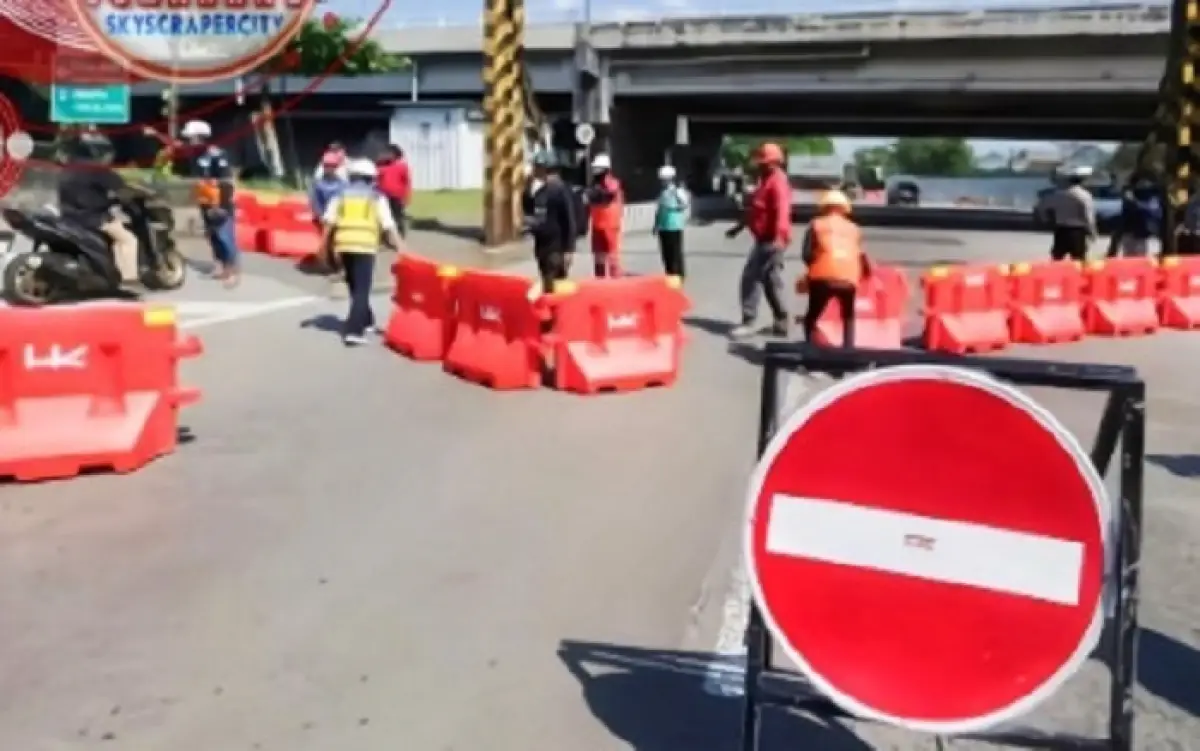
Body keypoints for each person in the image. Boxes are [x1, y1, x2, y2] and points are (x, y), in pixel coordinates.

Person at [321, 159, 404, 346]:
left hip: (343, 246)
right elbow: (388, 225)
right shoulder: (376, 197)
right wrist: (402, 248)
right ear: (371, 179)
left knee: (354, 285)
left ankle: (366, 319)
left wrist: (323, 246)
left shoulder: (340, 195)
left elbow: (329, 222)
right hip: (364, 247)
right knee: (362, 290)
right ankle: (353, 330)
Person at [57, 134, 140, 290]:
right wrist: (130, 195)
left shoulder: (69, 167)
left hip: (68, 217)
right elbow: (120, 187)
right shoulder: (97, 169)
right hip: (93, 218)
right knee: (128, 239)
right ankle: (129, 279)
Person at [727, 142, 792, 338]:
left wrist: (779, 238)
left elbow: (782, 211)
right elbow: (755, 210)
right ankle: (781, 322)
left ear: (774, 163)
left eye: (764, 162)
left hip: (771, 240)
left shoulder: (777, 181)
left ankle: (749, 321)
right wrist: (738, 228)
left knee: (751, 278)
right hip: (765, 239)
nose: (760, 165)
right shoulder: (765, 180)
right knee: (771, 281)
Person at [799, 189, 871, 349]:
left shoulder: (816, 225)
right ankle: (847, 351)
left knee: (812, 316)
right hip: (849, 278)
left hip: (822, 277)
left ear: (824, 207)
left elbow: (806, 254)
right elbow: (860, 255)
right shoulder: (854, 229)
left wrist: (811, 273)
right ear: (845, 208)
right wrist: (866, 274)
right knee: (848, 317)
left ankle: (810, 351)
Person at [182, 119, 240, 287]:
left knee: (224, 236)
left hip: (220, 202)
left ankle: (231, 269)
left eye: (191, 137)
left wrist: (222, 205)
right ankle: (219, 265)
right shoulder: (194, 155)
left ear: (201, 137)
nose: (189, 141)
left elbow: (226, 181)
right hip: (205, 201)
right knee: (212, 235)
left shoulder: (217, 154)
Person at [525, 151, 577, 295]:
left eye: (536, 166)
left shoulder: (560, 190)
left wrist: (569, 249)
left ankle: (555, 315)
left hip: (555, 248)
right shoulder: (542, 190)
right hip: (543, 246)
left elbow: (569, 220)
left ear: (544, 167)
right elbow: (530, 209)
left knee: (554, 287)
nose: (533, 170)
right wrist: (527, 188)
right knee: (548, 285)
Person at [1041, 165, 1097, 262]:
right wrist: (1093, 232)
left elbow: (1042, 207)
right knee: (1079, 261)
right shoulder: (1084, 195)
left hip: (1061, 230)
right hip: (1077, 231)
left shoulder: (1058, 194)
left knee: (1057, 260)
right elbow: (1088, 216)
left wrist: (1046, 220)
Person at [586, 153, 623, 278]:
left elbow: (607, 195)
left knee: (612, 256)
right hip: (597, 225)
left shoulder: (612, 182)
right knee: (598, 256)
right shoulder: (594, 184)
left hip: (610, 225)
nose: (595, 171)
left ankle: (615, 280)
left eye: (598, 168)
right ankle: (600, 280)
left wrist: (594, 193)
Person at [1108, 176, 1162, 258]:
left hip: (1140, 234)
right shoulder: (1131, 201)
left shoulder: (1146, 200)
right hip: (1132, 234)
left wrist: (1133, 201)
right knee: (1133, 257)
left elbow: (1152, 211)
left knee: (1139, 257)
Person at [653, 164, 689, 278]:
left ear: (671, 179)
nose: (663, 182)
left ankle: (677, 276)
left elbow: (684, 204)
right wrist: (656, 224)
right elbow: (659, 209)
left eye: (665, 179)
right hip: (663, 227)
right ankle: (669, 274)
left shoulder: (677, 191)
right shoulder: (662, 193)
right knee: (666, 254)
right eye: (662, 180)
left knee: (675, 253)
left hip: (674, 225)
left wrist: (672, 207)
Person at [377, 144, 412, 238]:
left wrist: (406, 197)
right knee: (383, 216)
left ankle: (400, 236)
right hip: (383, 195)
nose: (387, 155)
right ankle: (384, 237)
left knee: (397, 216)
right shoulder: (381, 165)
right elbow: (376, 179)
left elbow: (407, 183)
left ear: (396, 154)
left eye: (390, 153)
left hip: (397, 196)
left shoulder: (402, 166)